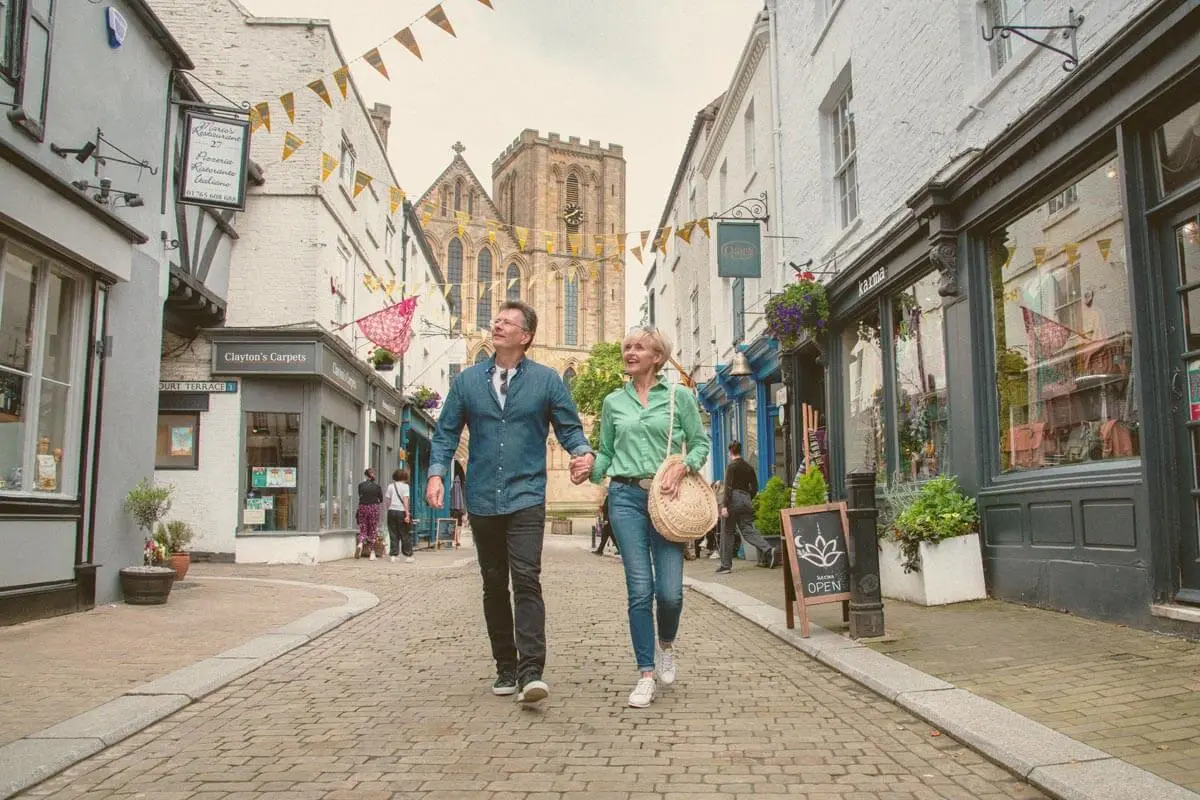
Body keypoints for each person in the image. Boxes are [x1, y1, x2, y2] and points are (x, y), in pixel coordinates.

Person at [428, 301, 594, 705]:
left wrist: (583, 454)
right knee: (492, 583)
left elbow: (569, 429)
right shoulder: (467, 382)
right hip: (483, 498)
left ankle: (531, 670)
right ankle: (505, 664)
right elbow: (446, 432)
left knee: (526, 578)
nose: (497, 324)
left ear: (525, 336)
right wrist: (436, 472)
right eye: (496, 320)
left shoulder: (548, 381)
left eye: (507, 321)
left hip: (526, 496)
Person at [587, 326, 710, 708]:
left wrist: (683, 466)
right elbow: (605, 452)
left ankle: (666, 645)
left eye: (638, 347)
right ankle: (644, 673)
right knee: (640, 589)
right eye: (626, 346)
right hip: (624, 499)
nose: (629, 352)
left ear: (657, 357)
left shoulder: (678, 397)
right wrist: (589, 470)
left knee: (669, 593)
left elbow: (701, 442)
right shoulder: (612, 402)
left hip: (668, 498)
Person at [716, 441, 776, 574]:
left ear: (730, 452)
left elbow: (728, 487)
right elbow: (755, 487)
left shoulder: (731, 467)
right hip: (746, 499)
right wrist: (748, 498)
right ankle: (768, 549)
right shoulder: (749, 467)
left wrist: (725, 505)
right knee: (748, 530)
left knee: (727, 532)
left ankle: (725, 566)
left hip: (733, 499)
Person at [385, 468, 413, 564]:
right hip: (401, 512)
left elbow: (387, 501)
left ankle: (393, 555)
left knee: (393, 533)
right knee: (404, 534)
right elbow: (405, 501)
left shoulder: (390, 486)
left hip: (391, 511)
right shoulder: (406, 487)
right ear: (404, 476)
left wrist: (389, 508)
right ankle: (408, 555)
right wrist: (407, 514)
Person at [356, 468, 384, 560]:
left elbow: (360, 495)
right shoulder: (377, 487)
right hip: (373, 508)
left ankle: (360, 543)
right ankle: (372, 553)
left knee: (363, 528)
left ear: (365, 475)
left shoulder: (361, 485)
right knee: (372, 530)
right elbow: (381, 499)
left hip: (362, 507)